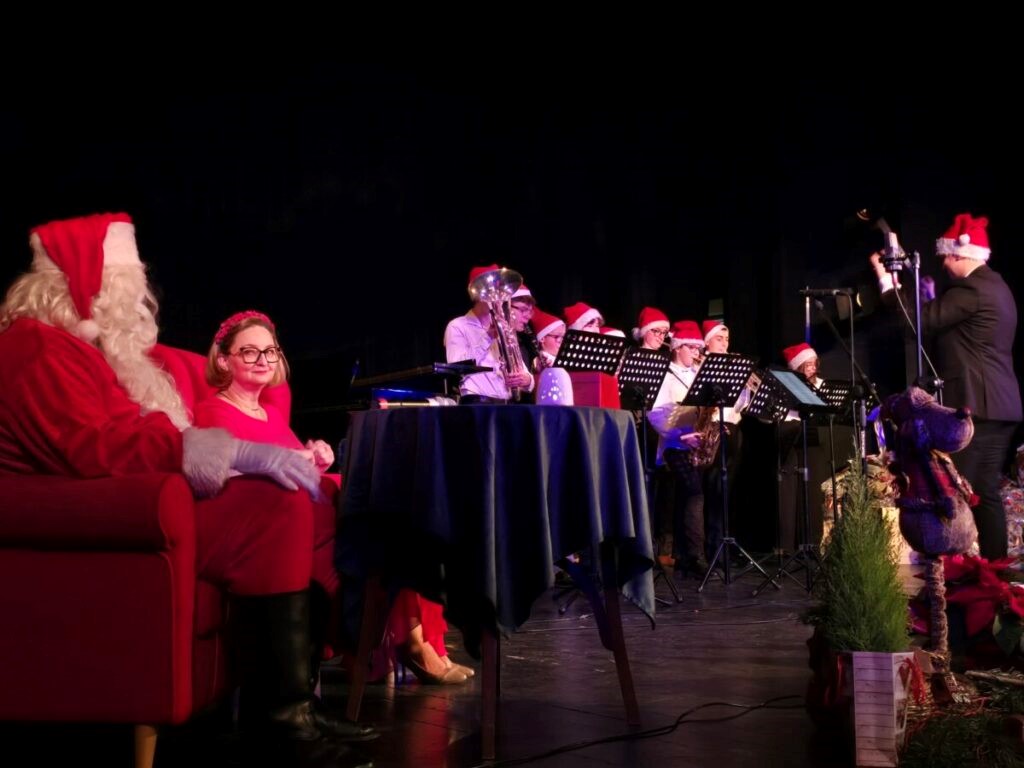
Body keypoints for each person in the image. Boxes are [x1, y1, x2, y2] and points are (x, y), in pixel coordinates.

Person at [0, 213, 373, 767]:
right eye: (128, 287)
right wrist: (227, 452)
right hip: (114, 515)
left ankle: (292, 706)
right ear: (89, 285)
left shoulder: (85, 350)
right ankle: (282, 720)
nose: (139, 300)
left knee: (301, 506)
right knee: (280, 506)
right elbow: (94, 447)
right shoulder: (38, 346)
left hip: (147, 499)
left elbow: (122, 432)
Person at [195, 310, 469, 685]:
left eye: (270, 351)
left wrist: (315, 456)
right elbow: (232, 476)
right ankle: (399, 644)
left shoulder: (269, 413)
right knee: (379, 528)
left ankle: (404, 642)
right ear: (224, 360)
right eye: (249, 352)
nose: (263, 360)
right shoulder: (213, 411)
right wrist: (300, 463)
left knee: (394, 518)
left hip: (299, 515)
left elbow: (290, 465)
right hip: (264, 529)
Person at [870, 212, 1022, 560]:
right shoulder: (995, 286)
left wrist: (886, 281)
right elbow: (952, 327)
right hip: (999, 404)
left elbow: (915, 323)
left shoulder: (972, 289)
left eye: (946, 257)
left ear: (960, 254)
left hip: (977, 405)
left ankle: (960, 571)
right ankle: (993, 571)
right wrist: (929, 297)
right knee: (984, 492)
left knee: (955, 491)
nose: (942, 264)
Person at [648, 320, 707, 577]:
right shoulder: (665, 375)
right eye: (691, 347)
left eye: (698, 348)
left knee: (689, 497)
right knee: (694, 493)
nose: (696, 352)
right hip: (674, 445)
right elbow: (655, 414)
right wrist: (680, 436)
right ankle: (695, 556)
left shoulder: (697, 374)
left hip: (696, 444)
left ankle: (684, 555)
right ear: (677, 347)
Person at [444, 264, 534, 403]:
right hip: (476, 402)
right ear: (479, 295)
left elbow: (522, 370)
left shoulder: (504, 326)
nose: (500, 297)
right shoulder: (458, 326)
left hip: (506, 404)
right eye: (494, 291)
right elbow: (457, 367)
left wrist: (527, 380)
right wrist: (487, 337)